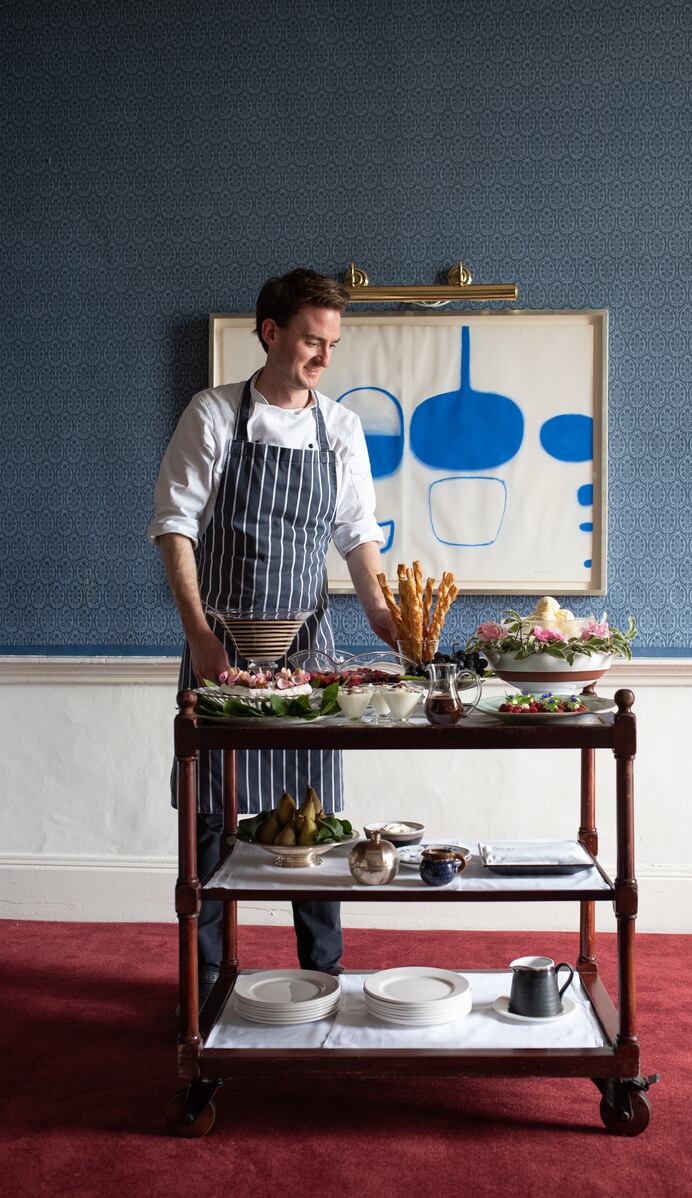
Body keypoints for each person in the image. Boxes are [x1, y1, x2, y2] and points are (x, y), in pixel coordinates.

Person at [149, 267, 395, 1004]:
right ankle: (205, 985)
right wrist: (199, 635)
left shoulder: (341, 429)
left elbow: (358, 539)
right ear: (270, 333)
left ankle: (324, 976)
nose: (325, 357)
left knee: (314, 822)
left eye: (333, 344)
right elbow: (175, 527)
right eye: (313, 341)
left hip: (307, 654)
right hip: (220, 645)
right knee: (211, 820)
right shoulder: (213, 414)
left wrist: (386, 621)